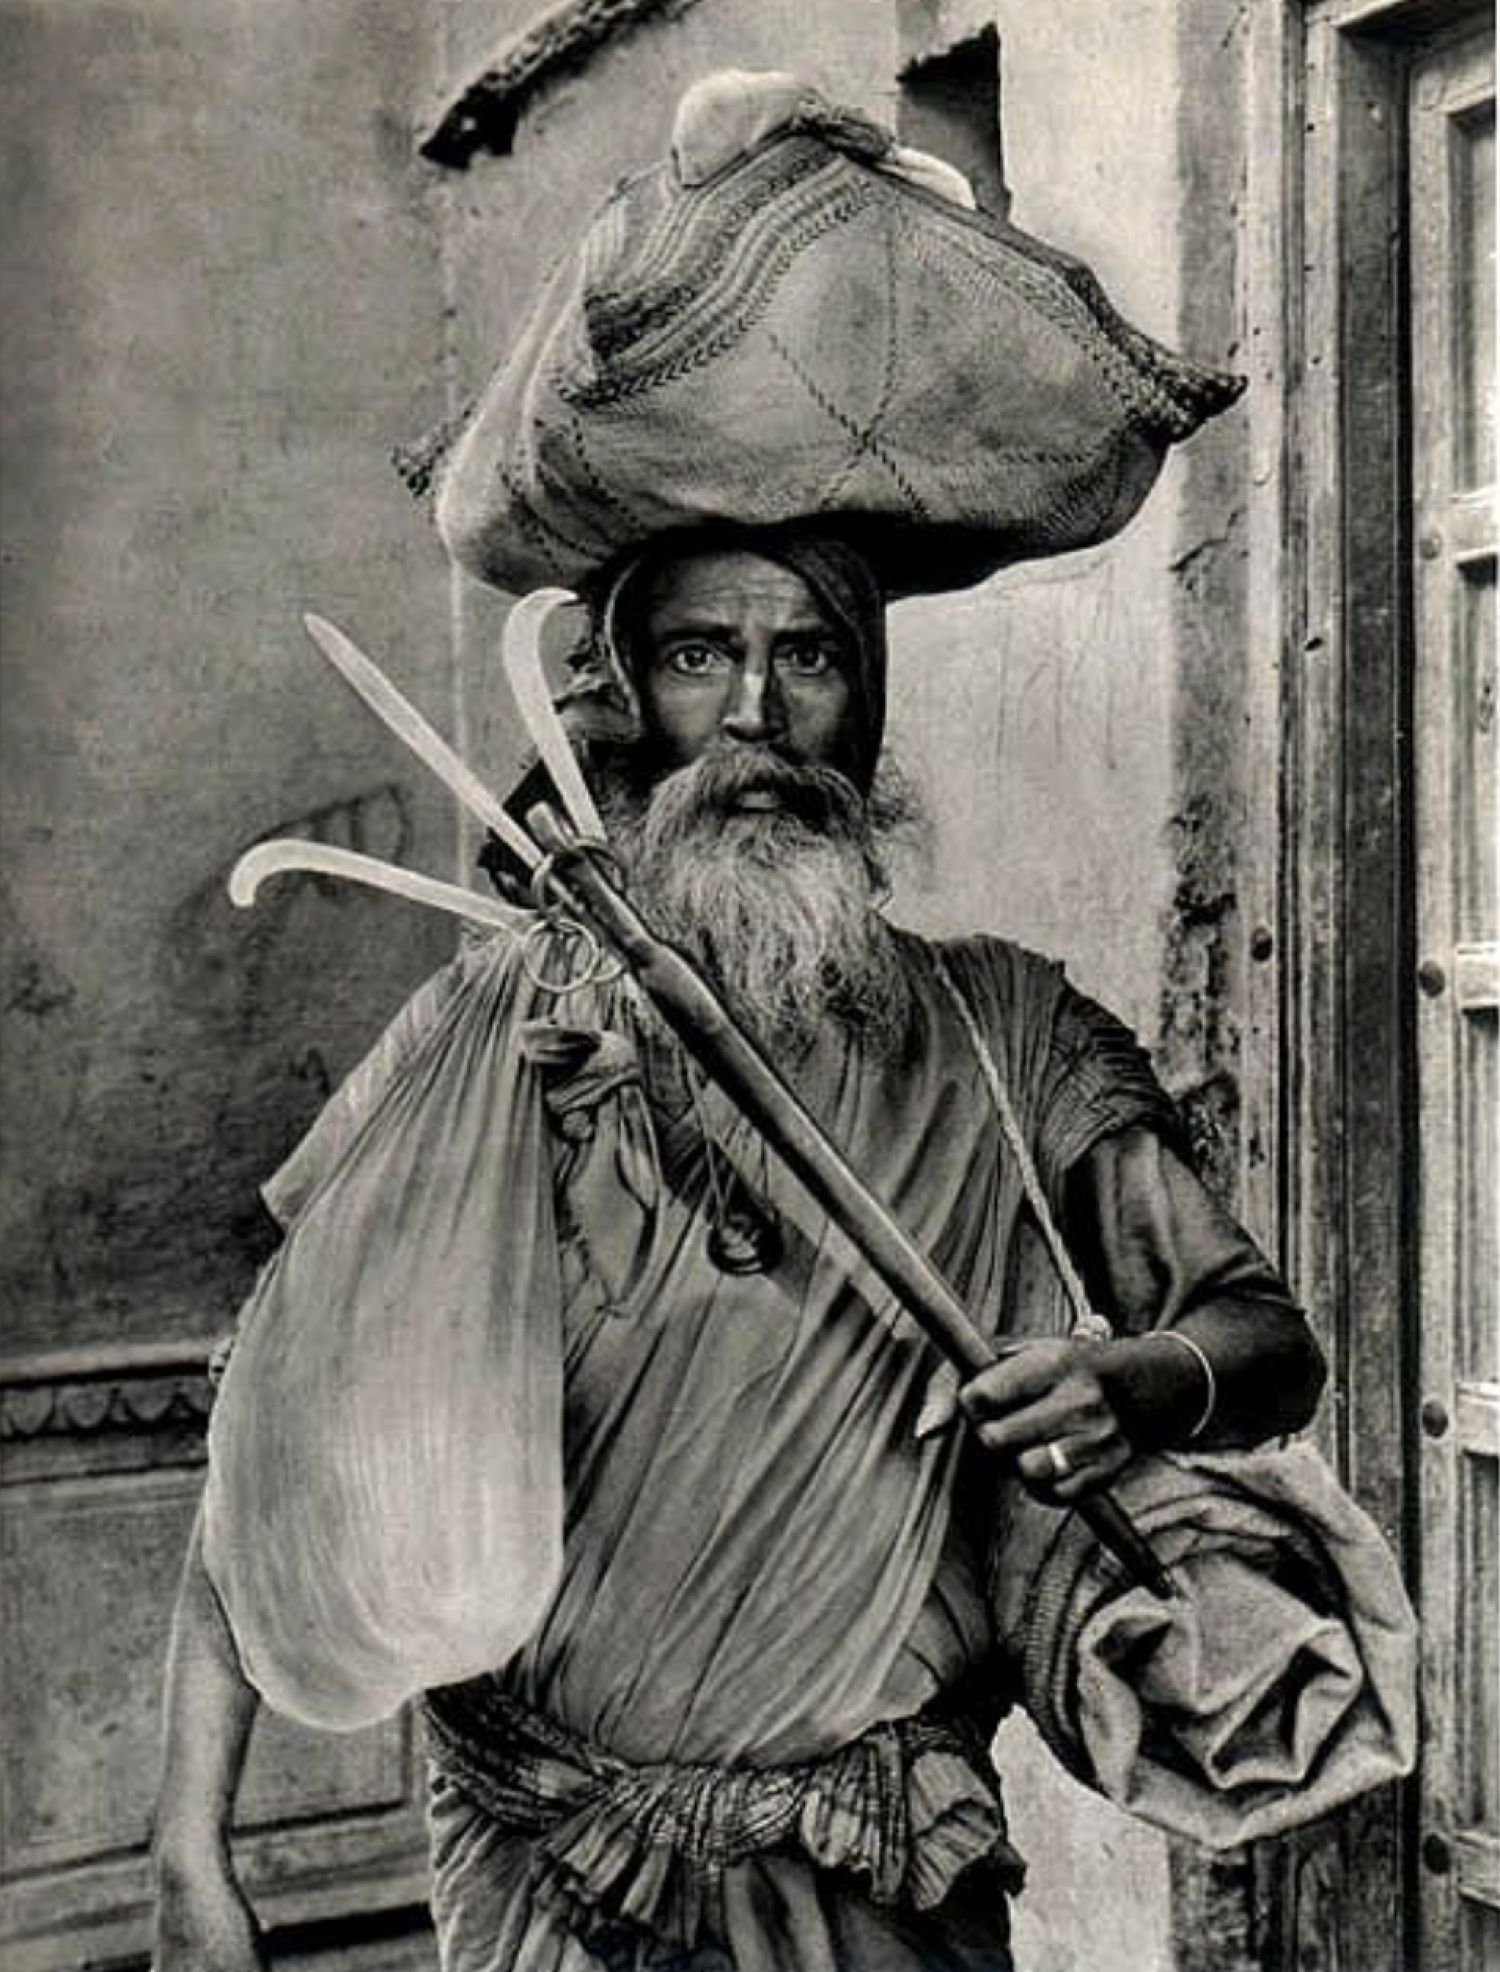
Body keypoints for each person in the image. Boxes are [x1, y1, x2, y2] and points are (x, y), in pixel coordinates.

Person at [151, 523, 1325, 1972]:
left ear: (866, 703)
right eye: (703, 655)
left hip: (880, 1866)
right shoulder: (488, 1033)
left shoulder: (1007, 1030)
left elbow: (1265, 1342)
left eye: (810, 656)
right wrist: (188, 1853)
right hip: (550, 1868)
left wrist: (1131, 1381)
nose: (758, 711)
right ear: (633, 697)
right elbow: (264, 1447)